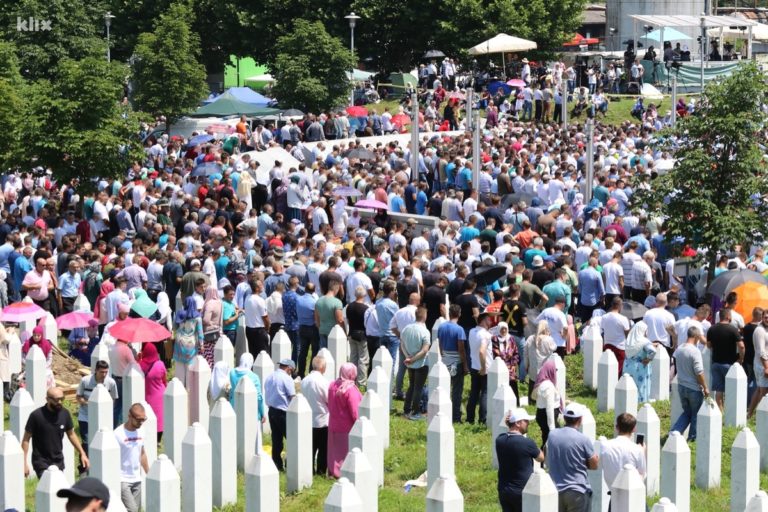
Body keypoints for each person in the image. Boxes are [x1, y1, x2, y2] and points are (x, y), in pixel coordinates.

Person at [22, 387, 89, 478]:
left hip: (58, 460)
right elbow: (26, 439)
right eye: (56, 400)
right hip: (41, 462)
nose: (60, 402)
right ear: (47, 399)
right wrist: (23, 463)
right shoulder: (36, 416)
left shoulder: (65, 414)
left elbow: (71, 434)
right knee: (47, 485)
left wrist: (82, 453)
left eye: (62, 399)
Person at [546, 403, 599, 512]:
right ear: (580, 419)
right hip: (577, 490)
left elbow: (547, 453)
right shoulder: (583, 439)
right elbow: (594, 465)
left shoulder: (552, 435)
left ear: (564, 418)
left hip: (555, 489)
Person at [496, 408, 544, 512]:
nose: (528, 423)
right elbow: (541, 458)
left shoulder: (499, 440)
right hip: (522, 491)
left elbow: (510, 436)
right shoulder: (527, 443)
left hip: (504, 490)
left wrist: (509, 425)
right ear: (518, 423)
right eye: (525, 421)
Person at [671, 326, 710, 441]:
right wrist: (705, 387)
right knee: (695, 414)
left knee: (687, 412)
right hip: (694, 388)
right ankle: (692, 439)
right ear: (696, 337)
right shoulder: (695, 351)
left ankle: (675, 431)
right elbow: (699, 372)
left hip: (681, 386)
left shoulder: (679, 348)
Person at [600, 413, 645, 509]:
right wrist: (643, 452)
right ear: (634, 429)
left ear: (617, 427)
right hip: (633, 498)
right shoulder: (637, 449)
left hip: (614, 497)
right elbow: (641, 476)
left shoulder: (604, 446)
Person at [75, 360, 119, 456]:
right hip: (85, 416)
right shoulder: (85, 381)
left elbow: (113, 398)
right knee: (87, 442)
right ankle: (85, 461)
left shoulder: (111, 382)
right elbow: (78, 397)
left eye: (106, 372)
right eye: (101, 372)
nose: (104, 375)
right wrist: (88, 403)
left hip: (104, 418)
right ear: (96, 370)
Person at [327, 362, 363, 477]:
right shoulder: (350, 389)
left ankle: (332, 471)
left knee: (334, 451)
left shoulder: (332, 385)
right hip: (346, 426)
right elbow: (355, 411)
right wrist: (360, 423)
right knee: (344, 452)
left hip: (333, 423)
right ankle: (342, 472)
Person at [707, 308, 744, 411]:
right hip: (729, 363)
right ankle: (730, 411)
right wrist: (741, 358)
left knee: (719, 390)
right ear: (728, 316)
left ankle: (720, 412)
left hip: (716, 363)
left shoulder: (712, 329)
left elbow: (708, 345)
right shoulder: (733, 329)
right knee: (731, 389)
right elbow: (741, 346)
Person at [115, 403, 150, 512]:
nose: (141, 422)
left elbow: (142, 453)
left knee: (136, 509)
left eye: (143, 419)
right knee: (132, 509)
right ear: (130, 416)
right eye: (138, 420)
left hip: (136, 477)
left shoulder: (141, 431)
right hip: (122, 478)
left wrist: (148, 472)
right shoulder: (118, 434)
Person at [438, 304, 469, 423]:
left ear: (449, 313)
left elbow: (440, 344)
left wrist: (443, 355)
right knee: (456, 391)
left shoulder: (441, 327)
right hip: (457, 362)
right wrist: (465, 365)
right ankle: (455, 416)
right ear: (459, 314)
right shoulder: (459, 329)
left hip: (445, 359)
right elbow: (461, 349)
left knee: (445, 388)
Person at [264, 358, 296, 471]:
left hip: (271, 411)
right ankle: (290, 463)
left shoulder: (270, 377)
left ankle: (277, 464)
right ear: (289, 368)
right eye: (292, 371)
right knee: (292, 439)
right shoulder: (287, 379)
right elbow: (292, 397)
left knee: (276, 439)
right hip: (283, 412)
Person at [400, 306, 431, 419]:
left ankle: (406, 409)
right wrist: (412, 359)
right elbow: (425, 350)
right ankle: (415, 412)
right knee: (418, 387)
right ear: (424, 316)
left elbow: (402, 344)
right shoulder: (425, 331)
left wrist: (408, 357)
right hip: (421, 363)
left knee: (411, 386)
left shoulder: (406, 329)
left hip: (409, 362)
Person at [301, 355, 330, 475]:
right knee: (323, 448)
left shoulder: (304, 380)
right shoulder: (324, 382)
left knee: (311, 448)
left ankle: (310, 470)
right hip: (322, 420)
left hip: (308, 419)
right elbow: (329, 399)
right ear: (322, 367)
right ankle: (321, 471)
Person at [467, 312, 493, 425]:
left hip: (474, 366)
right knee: (485, 393)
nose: (490, 321)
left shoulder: (472, 331)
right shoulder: (486, 335)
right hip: (484, 368)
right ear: (483, 321)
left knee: (474, 392)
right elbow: (482, 351)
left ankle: (470, 418)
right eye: (489, 319)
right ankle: (482, 419)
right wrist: (483, 367)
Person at [622, 321, 657, 403]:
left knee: (629, 384)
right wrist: (648, 359)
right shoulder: (644, 341)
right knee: (640, 385)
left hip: (628, 366)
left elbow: (637, 346)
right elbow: (653, 351)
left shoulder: (629, 340)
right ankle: (641, 400)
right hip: (640, 367)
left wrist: (650, 344)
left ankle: (629, 401)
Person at [228, 353, 267, 425]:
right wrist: (262, 413)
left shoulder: (232, 373)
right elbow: (258, 398)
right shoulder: (254, 377)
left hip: (234, 407)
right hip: (250, 410)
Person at [173, 296, 204, 386]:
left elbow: (174, 327)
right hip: (191, 344)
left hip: (179, 343)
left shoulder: (180, 313)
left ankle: (179, 386)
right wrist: (202, 344)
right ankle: (189, 388)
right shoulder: (197, 317)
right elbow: (200, 332)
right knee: (190, 366)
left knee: (179, 367)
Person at [139, 343, 166, 442]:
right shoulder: (160, 364)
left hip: (148, 395)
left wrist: (139, 359)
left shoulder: (141, 365)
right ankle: (158, 440)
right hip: (160, 394)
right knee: (160, 418)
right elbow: (164, 379)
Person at [525, 321, 557, 402]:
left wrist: (526, 365)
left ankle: (531, 403)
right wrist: (548, 335)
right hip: (544, 370)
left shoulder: (530, 338)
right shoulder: (548, 339)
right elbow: (554, 347)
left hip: (533, 367)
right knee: (544, 388)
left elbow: (526, 354)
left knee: (532, 385)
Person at [533, 358, 561, 451]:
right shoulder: (548, 386)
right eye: (554, 370)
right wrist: (552, 428)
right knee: (550, 440)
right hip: (548, 416)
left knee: (545, 437)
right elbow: (549, 408)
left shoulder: (543, 383)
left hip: (542, 414)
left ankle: (545, 456)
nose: (555, 372)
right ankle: (546, 456)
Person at [346, 286, 371, 386]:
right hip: (362, 336)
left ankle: (352, 378)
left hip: (352, 333)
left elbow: (348, 320)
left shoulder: (349, 306)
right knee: (363, 360)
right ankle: (361, 382)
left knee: (353, 357)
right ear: (364, 295)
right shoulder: (366, 309)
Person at [601, 297, 630, 376]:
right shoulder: (623, 318)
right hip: (620, 347)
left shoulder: (604, 317)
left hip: (607, 345)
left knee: (608, 370)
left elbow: (603, 330)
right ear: (620, 306)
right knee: (618, 371)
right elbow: (627, 334)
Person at [492, 322, 520, 401]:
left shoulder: (511, 338)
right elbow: (496, 352)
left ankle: (516, 402)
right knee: (501, 384)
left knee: (512, 383)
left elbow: (515, 352)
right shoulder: (495, 339)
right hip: (500, 366)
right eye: (502, 329)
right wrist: (505, 357)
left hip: (510, 365)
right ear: (498, 329)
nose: (504, 331)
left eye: (505, 329)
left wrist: (514, 364)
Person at [749, 310, 768, 418]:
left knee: (759, 389)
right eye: (766, 317)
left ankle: (750, 414)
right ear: (762, 317)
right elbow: (761, 351)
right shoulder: (760, 330)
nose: (767, 319)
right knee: (764, 393)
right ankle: (760, 417)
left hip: (762, 364)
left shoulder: (765, 329)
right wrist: (766, 367)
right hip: (762, 365)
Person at [201, 286, 223, 365]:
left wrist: (199, 321)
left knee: (208, 356)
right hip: (218, 331)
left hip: (208, 332)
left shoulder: (209, 304)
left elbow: (206, 320)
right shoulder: (220, 302)